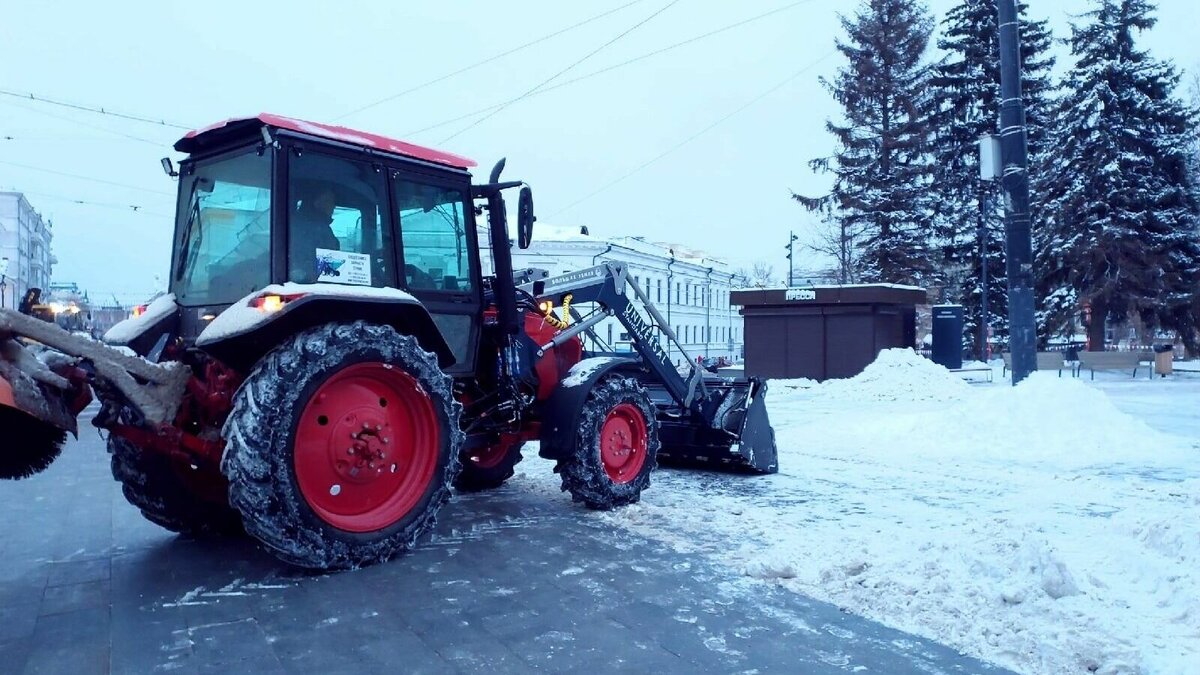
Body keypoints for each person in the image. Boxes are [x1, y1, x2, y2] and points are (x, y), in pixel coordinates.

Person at [288, 184, 341, 283]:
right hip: (308, 283)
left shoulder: (294, 223)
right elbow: (325, 260)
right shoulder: (315, 228)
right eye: (329, 201)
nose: (333, 206)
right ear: (316, 202)